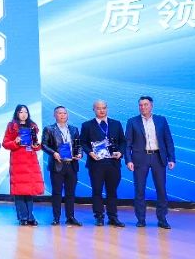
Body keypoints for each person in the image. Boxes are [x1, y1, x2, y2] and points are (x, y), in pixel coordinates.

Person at [125, 95, 177, 229]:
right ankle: (141, 219)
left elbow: (168, 140)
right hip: (140, 158)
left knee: (161, 189)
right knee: (139, 189)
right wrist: (128, 160)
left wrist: (171, 158)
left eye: (146, 104)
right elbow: (127, 143)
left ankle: (162, 219)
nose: (143, 107)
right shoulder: (132, 121)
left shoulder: (161, 120)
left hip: (158, 157)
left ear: (151, 106)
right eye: (140, 105)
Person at [80, 99, 125, 227]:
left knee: (112, 191)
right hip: (96, 163)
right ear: (93, 109)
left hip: (113, 163)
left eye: (104, 108)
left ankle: (113, 217)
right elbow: (83, 142)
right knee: (97, 190)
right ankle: (99, 216)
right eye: (98, 108)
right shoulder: (87, 125)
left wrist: (120, 152)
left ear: (107, 108)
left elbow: (123, 141)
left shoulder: (116, 124)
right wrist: (90, 152)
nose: (102, 110)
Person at [3, 104, 44, 225]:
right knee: (20, 191)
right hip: (18, 162)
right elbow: (5, 143)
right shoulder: (12, 126)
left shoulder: (32, 126)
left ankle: (30, 217)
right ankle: (23, 217)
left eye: (25, 112)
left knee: (29, 191)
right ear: (17, 113)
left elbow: (36, 144)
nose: (23, 114)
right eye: (21, 112)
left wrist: (36, 145)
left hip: (31, 162)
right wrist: (15, 142)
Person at [41, 105, 83, 226]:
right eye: (59, 113)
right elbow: (44, 145)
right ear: (54, 115)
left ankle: (70, 217)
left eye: (64, 113)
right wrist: (54, 153)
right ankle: (56, 217)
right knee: (57, 193)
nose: (62, 115)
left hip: (72, 164)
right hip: (57, 164)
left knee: (70, 193)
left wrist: (80, 153)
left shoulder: (74, 129)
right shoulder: (49, 129)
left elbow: (78, 145)